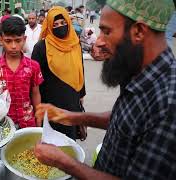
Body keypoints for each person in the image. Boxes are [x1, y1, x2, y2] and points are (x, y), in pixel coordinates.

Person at [34, 0, 176, 179]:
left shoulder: (168, 107)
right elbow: (123, 119)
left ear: (139, 32)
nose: (99, 42)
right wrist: (70, 117)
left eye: (107, 31)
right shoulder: (141, 73)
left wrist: (64, 162)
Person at [31, 6, 86, 140]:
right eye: (54, 24)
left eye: (63, 23)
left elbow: (80, 68)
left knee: (69, 141)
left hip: (71, 99)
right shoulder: (41, 47)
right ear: (49, 26)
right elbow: (34, 80)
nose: (60, 27)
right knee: (51, 142)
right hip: (50, 101)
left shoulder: (75, 44)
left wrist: (81, 94)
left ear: (68, 22)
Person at [0, 16, 44, 129]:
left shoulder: (33, 66)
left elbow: (35, 93)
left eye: (18, 40)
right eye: (8, 41)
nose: (13, 46)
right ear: (1, 40)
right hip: (2, 124)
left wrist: (39, 117)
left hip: (27, 122)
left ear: (24, 39)